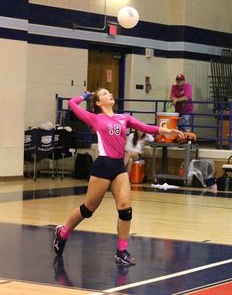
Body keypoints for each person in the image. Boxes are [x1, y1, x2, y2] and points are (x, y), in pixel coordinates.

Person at [53, 88, 184, 266]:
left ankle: (121, 251)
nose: (110, 95)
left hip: (118, 167)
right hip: (102, 166)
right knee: (88, 209)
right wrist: (86, 95)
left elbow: (145, 127)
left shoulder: (124, 118)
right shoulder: (95, 118)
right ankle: (63, 232)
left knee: (125, 208)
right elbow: (71, 104)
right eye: (105, 94)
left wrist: (167, 132)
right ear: (98, 102)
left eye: (109, 93)